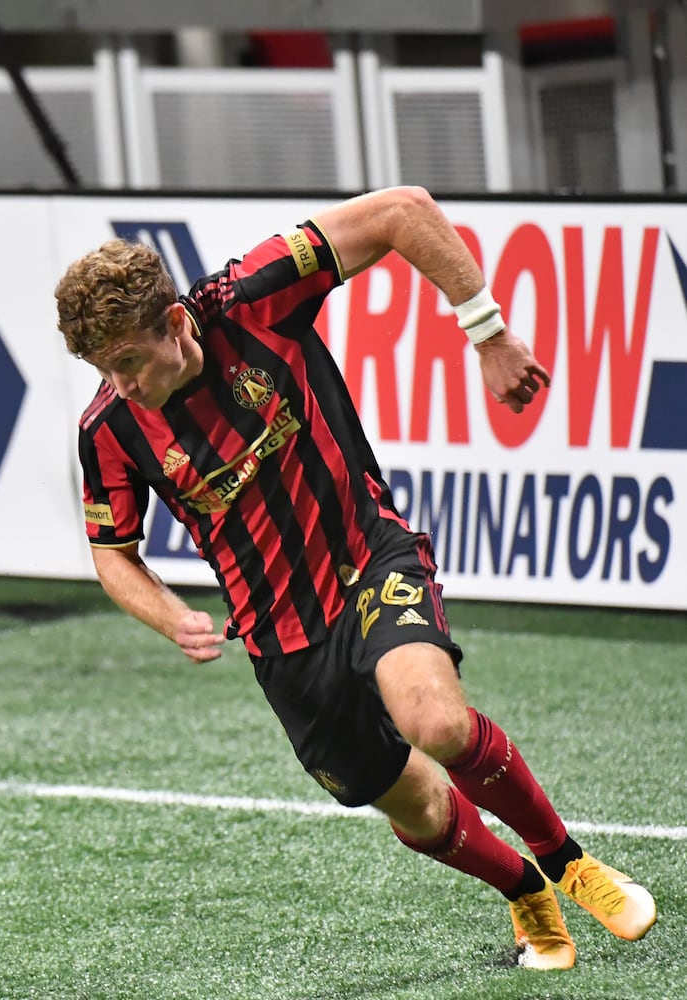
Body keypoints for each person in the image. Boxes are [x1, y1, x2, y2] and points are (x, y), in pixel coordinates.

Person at [54, 185, 655, 970]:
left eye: (129, 361)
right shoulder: (109, 429)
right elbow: (112, 553)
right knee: (406, 798)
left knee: (433, 723)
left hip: (366, 558)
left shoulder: (249, 300)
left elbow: (403, 210)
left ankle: (566, 860)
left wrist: (488, 331)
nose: (121, 384)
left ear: (173, 323)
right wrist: (169, 615)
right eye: (104, 369)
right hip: (280, 637)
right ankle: (523, 893)